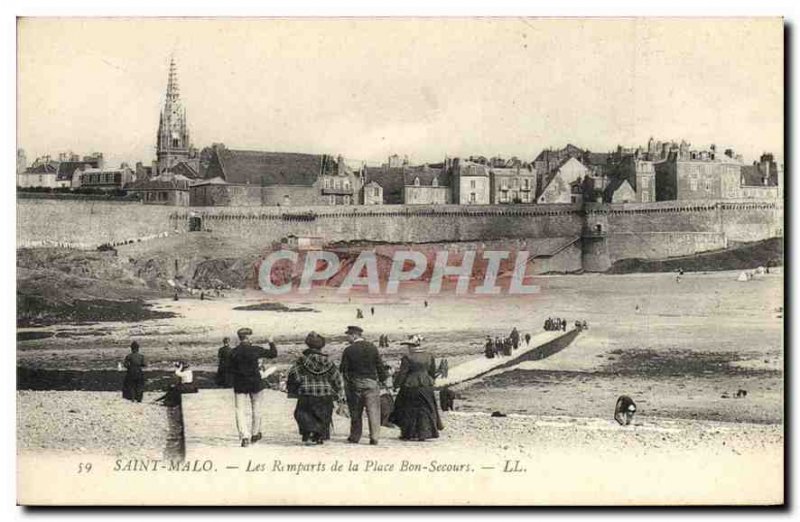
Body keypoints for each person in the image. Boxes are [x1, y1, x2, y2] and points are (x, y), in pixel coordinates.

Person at [286, 332, 344, 445]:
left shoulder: (301, 361)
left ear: (308, 345)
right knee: (323, 415)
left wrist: (296, 387)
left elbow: (294, 375)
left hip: (306, 393)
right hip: (325, 394)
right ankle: (319, 436)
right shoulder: (328, 361)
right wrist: (339, 392)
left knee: (303, 414)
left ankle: (308, 434)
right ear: (322, 346)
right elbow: (337, 378)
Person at [340, 325, 387, 445]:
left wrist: (346, 384)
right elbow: (379, 366)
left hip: (355, 383)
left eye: (348, 335)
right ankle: (374, 437)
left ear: (354, 335)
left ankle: (355, 436)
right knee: (373, 411)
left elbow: (343, 369)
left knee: (356, 411)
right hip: (371, 383)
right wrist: (383, 379)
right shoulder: (372, 347)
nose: (347, 338)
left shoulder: (349, 350)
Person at [230, 327, 278, 447]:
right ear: (248, 337)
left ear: (240, 338)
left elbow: (228, 369)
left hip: (240, 383)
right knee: (257, 408)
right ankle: (255, 433)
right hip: (255, 382)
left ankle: (244, 436)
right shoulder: (255, 350)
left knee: (239, 410)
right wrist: (271, 342)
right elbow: (273, 354)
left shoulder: (233, 352)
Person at [389, 337, 443, 441]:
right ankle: (425, 433)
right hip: (426, 385)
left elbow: (403, 373)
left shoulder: (408, 357)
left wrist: (396, 385)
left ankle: (408, 433)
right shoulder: (429, 355)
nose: (408, 348)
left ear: (411, 346)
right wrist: (430, 381)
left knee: (408, 409)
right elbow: (432, 371)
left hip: (410, 385)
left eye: (408, 346)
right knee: (426, 408)